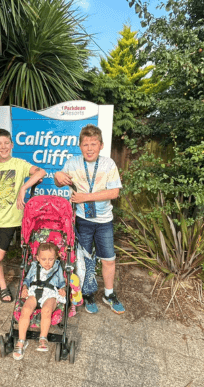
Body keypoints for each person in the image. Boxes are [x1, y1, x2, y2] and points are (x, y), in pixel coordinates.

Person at [54, 124, 125, 315]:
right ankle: (87, 294)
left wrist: (85, 197)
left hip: (104, 221)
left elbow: (114, 192)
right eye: (85, 144)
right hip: (82, 220)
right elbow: (58, 181)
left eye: (94, 144)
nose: (90, 148)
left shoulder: (108, 164)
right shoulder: (73, 162)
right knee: (83, 261)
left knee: (108, 259)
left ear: (101, 145)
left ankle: (109, 294)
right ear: (80, 146)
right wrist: (57, 175)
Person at [0, 128, 46, 303]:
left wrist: (23, 188)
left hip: (10, 219)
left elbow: (41, 172)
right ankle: (3, 286)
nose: (3, 146)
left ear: (12, 145)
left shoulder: (20, 164)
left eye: (6, 143)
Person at [14, 242, 66, 360]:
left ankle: (43, 338)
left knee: (47, 310)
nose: (47, 262)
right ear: (37, 258)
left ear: (56, 257)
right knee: (26, 309)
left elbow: (62, 282)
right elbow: (27, 279)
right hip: (34, 291)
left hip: (50, 294)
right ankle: (21, 341)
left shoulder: (57, 267)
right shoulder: (34, 266)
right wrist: (25, 288)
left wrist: (62, 289)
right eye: (43, 259)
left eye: (50, 259)